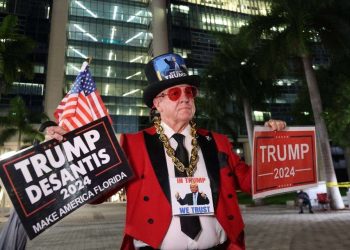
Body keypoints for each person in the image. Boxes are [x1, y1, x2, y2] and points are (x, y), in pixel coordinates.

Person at [46, 53, 286, 249]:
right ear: (157, 104)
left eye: (189, 92)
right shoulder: (132, 144)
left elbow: (253, 182)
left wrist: (275, 144)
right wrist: (71, 152)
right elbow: (97, 196)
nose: (185, 98)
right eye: (174, 93)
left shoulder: (218, 142)